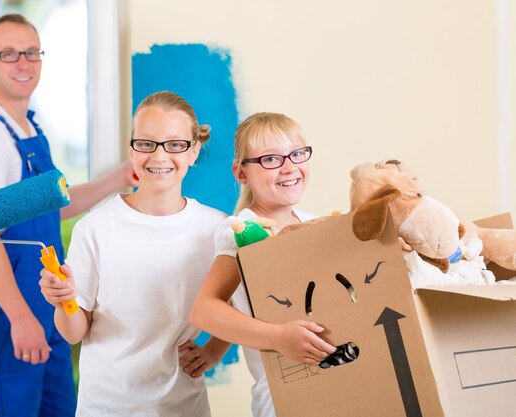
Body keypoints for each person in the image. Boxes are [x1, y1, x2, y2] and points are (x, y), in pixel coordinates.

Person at [0, 13, 136, 417]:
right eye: (9, 54)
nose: (23, 63)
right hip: (2, 321)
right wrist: (21, 318)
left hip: (43, 311)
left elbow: (54, 205)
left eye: (31, 53)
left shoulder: (28, 128)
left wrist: (121, 177)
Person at [38, 91, 230, 416]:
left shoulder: (218, 230)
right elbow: (73, 333)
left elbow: (245, 305)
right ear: (132, 149)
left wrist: (213, 350)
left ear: (194, 151)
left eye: (175, 144)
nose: (159, 156)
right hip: (105, 407)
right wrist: (62, 300)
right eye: (147, 143)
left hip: (182, 407)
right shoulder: (95, 228)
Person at [190, 112, 337, 417]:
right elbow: (205, 309)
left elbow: (251, 305)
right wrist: (279, 337)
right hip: (282, 398)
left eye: (297, 154)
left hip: (335, 387)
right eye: (271, 159)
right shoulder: (242, 230)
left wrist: (214, 350)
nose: (289, 167)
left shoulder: (313, 223)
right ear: (241, 173)